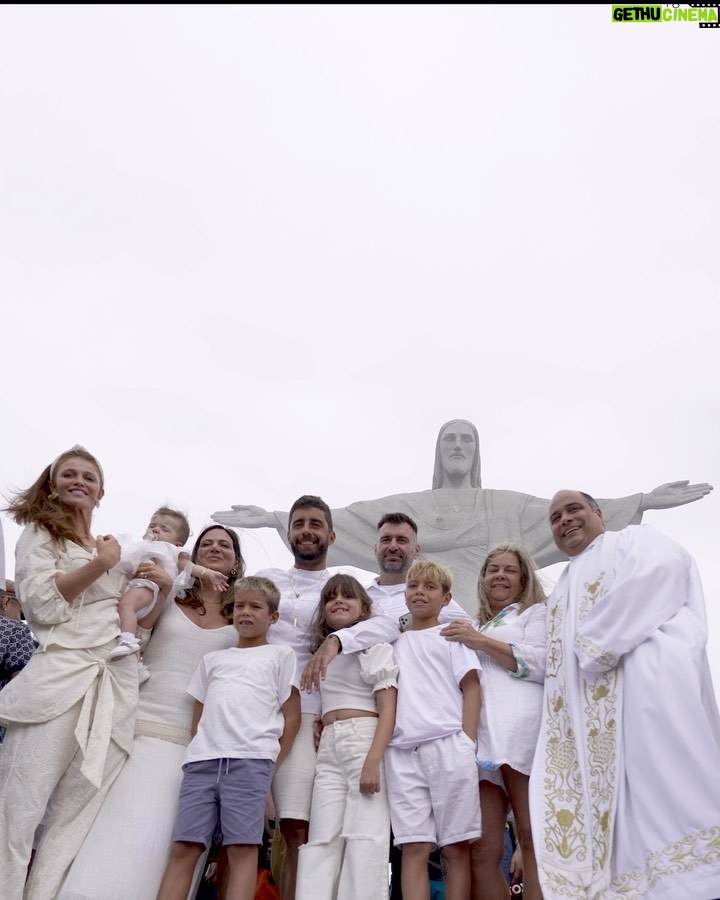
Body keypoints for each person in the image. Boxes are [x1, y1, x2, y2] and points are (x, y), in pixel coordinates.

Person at [212, 419, 713, 614]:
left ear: (475, 453)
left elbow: (564, 517)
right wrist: (275, 517)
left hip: (491, 615)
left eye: (465, 441)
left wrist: (643, 501)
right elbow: (351, 521)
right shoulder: (413, 509)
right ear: (438, 450)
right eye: (449, 439)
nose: (457, 447)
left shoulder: (505, 505)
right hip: (426, 616)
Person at [0, 445, 172, 900]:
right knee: (17, 814)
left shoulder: (113, 547)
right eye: (69, 474)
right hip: (59, 679)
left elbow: (138, 627)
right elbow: (41, 606)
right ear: (53, 485)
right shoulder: (41, 537)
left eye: (88, 476)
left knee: (73, 821)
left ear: (101, 491)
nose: (79, 481)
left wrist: (164, 586)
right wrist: (101, 564)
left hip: (113, 687)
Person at [529, 490, 720, 900]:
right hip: (590, 727)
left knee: (670, 785)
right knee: (621, 820)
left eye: (574, 509)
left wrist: (598, 642)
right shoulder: (561, 585)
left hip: (643, 689)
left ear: (599, 513)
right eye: (555, 517)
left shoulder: (634, 539)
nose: (564, 520)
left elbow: (662, 571)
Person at [58, 524, 244, 900]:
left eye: (224, 545)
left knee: (164, 839)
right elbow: (137, 632)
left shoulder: (243, 618)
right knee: (111, 829)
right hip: (138, 726)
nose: (214, 548)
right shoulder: (171, 592)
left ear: (237, 561)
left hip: (194, 743)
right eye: (206, 543)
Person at [254, 495, 399, 900]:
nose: (307, 531)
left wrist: (336, 640)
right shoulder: (269, 580)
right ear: (288, 535)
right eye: (299, 524)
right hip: (260, 712)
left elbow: (387, 626)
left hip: (315, 720)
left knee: (302, 825)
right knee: (258, 824)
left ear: (330, 535)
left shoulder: (346, 588)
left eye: (315, 524)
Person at [157, 576, 300, 900]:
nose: (245, 612)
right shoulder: (213, 661)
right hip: (201, 763)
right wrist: (201, 748)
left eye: (255, 606)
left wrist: (270, 766)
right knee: (185, 846)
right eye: (239, 606)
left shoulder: (280, 656)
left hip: (251, 763)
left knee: (242, 849)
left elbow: (291, 717)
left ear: (273, 616)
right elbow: (199, 716)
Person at [441, 542, 547, 900]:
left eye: (509, 570)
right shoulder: (474, 624)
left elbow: (544, 664)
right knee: (482, 850)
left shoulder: (534, 614)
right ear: (483, 579)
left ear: (524, 578)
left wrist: (480, 641)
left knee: (532, 836)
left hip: (521, 734)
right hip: (481, 742)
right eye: (493, 569)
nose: (499, 575)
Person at [296, 574, 398, 900]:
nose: (338, 601)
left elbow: (388, 707)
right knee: (321, 838)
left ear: (364, 607)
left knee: (366, 835)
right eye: (331, 598)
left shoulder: (374, 646)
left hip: (364, 740)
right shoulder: (322, 653)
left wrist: (373, 759)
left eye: (348, 597)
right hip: (329, 747)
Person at [384, 559, 482, 900]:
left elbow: (471, 688)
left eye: (429, 587)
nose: (419, 593)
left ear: (446, 597)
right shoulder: (393, 643)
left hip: (448, 746)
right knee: (413, 846)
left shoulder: (452, 637)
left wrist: (466, 742)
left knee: (455, 847)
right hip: (402, 752)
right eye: (413, 586)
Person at [111, 507, 228, 676]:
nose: (156, 529)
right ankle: (137, 665)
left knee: (126, 605)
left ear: (177, 543)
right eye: (153, 525)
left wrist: (209, 574)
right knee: (129, 618)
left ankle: (127, 641)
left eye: (165, 529)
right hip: (137, 587)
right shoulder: (141, 547)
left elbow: (189, 567)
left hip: (148, 587)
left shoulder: (171, 550)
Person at [0, 579, 38, 744]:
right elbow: (21, 681)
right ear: (6, 602)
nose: (22, 619)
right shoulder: (16, 629)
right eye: (22, 612)